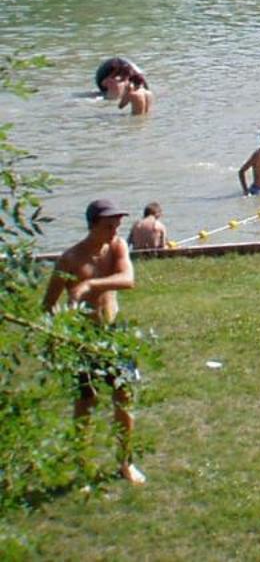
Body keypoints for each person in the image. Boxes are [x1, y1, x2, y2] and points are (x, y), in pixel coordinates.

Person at [42, 198, 144, 483]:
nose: (115, 229)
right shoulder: (70, 259)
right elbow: (48, 303)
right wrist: (55, 337)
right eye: (109, 224)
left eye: (118, 224)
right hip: (84, 340)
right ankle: (82, 467)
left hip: (114, 336)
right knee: (86, 403)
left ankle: (125, 463)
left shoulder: (117, 247)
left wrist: (89, 284)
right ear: (93, 225)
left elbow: (127, 279)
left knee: (124, 398)